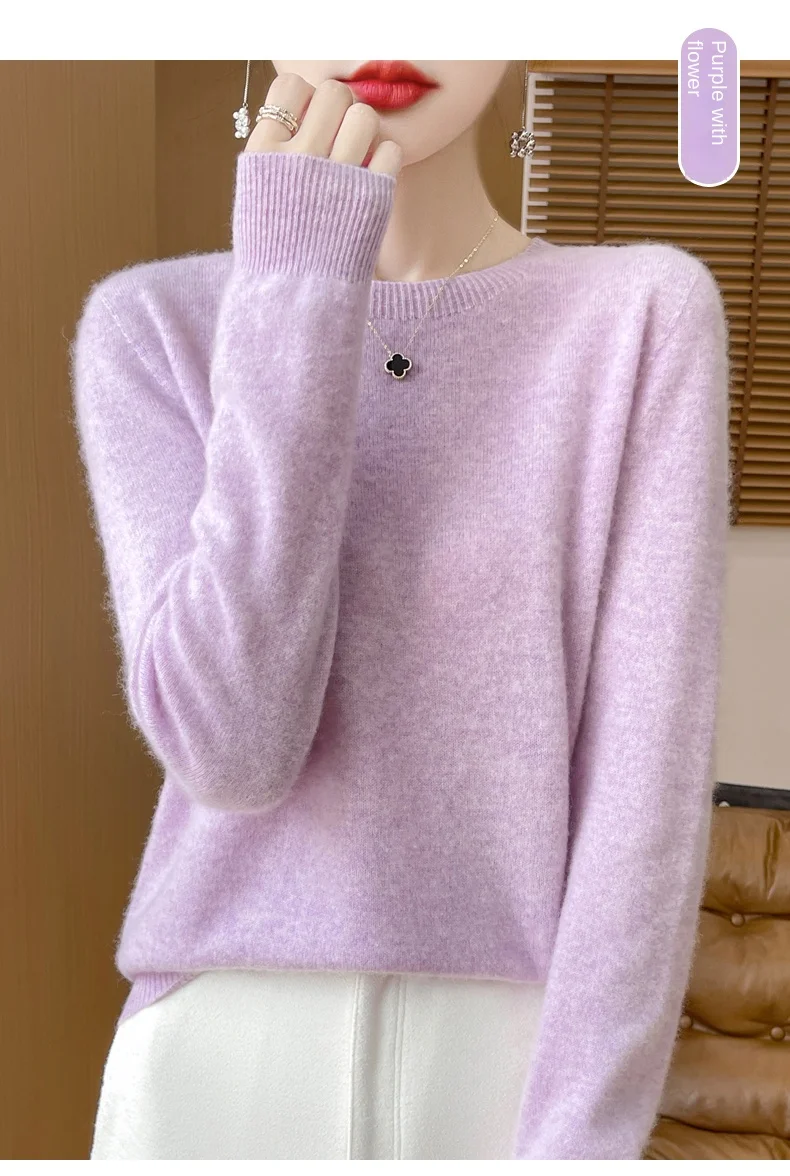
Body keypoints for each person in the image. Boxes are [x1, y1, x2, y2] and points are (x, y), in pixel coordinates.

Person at [71, 60, 731, 1161]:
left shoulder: (641, 315)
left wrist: (580, 1140)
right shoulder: (152, 325)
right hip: (217, 1063)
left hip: (511, 1067)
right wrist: (295, 288)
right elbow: (233, 749)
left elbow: (645, 792)